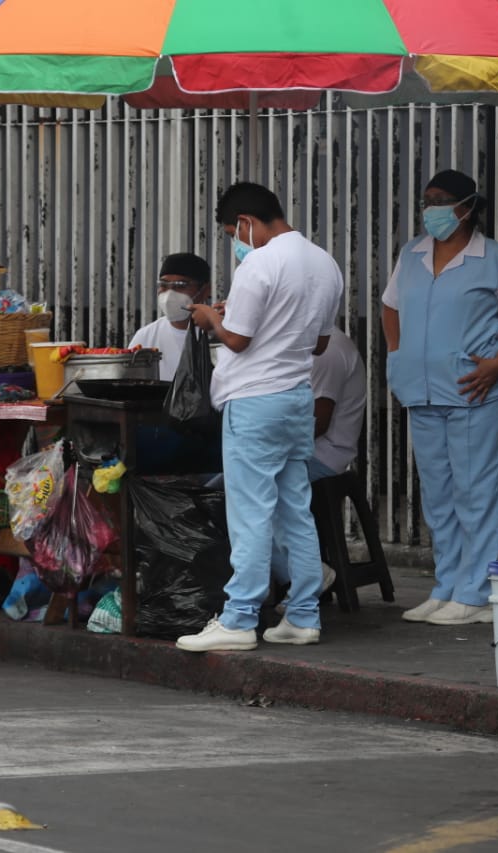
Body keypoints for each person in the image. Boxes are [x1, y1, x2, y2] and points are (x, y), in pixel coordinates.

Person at [175, 182, 343, 652]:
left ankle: (239, 619)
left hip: (254, 401)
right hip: (295, 398)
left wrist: (211, 317)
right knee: (295, 511)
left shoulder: (261, 263)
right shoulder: (325, 263)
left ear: (245, 223)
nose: (236, 242)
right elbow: (320, 343)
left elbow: (238, 341)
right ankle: (304, 616)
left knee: (250, 514)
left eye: (233, 232)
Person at [382, 169, 498, 626]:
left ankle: (477, 590)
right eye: (427, 199)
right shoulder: (411, 254)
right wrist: (398, 355)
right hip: (422, 393)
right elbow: (390, 307)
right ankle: (447, 584)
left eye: (442, 200)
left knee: (477, 493)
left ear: (467, 206)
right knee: (438, 496)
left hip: (475, 392)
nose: (432, 209)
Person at [270, 326, 367, 608]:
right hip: (299, 451)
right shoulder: (297, 343)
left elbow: (316, 423)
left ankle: (304, 573)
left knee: (244, 491)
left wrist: (265, 446)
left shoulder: (328, 350)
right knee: (220, 487)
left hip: (323, 454)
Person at [128, 252, 212, 381]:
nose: (170, 294)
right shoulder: (146, 336)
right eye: (164, 285)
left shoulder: (218, 335)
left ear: (205, 291)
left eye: (181, 286)